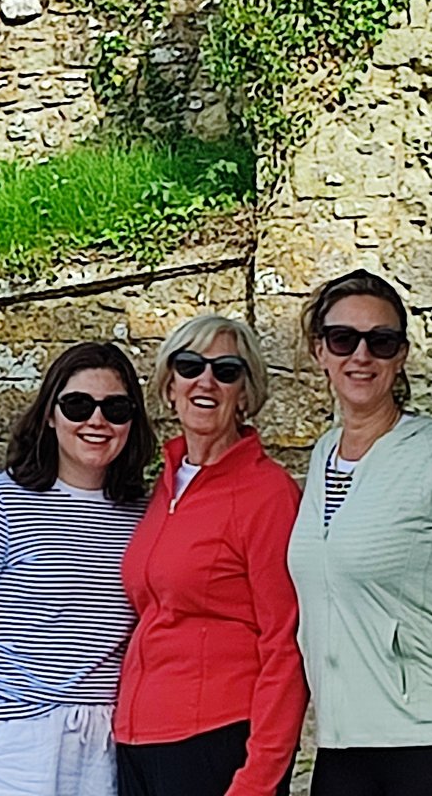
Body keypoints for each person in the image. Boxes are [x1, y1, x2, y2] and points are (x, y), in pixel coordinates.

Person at [285, 269, 432, 796]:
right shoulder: (323, 456)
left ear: (402, 355)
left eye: (380, 341)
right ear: (320, 351)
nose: (360, 355)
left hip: (428, 748)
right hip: (341, 748)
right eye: (343, 339)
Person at [0, 341, 152, 796]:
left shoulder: (146, 514)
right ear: (50, 414)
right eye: (77, 405)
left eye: (116, 408)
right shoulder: (0, 501)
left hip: (105, 743)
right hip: (12, 743)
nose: (97, 420)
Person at [113, 314, 305, 796]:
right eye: (190, 365)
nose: (206, 380)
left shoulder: (268, 493)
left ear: (245, 392)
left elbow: (286, 643)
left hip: (216, 740)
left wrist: (260, 778)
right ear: (169, 385)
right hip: (138, 740)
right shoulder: (165, 487)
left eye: (226, 370)